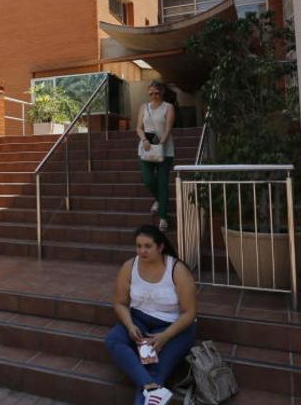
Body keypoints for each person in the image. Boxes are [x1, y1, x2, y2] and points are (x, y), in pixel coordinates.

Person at [104, 225, 197, 405]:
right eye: (138, 246)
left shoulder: (177, 270)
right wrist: (130, 326)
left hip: (175, 326)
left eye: (148, 246)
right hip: (139, 320)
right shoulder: (129, 267)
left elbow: (190, 312)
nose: (142, 251)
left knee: (155, 370)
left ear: (160, 247)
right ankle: (152, 387)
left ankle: (149, 384)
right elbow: (120, 303)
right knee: (113, 340)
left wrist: (165, 336)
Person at [136, 81, 175, 231]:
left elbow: (168, 128)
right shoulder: (143, 107)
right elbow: (139, 128)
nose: (154, 96)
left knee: (162, 182)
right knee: (148, 179)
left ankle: (163, 218)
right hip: (145, 148)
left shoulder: (168, 107)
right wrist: (144, 140)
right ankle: (159, 199)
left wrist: (161, 144)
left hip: (165, 149)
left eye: (156, 93)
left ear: (162, 92)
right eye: (151, 93)